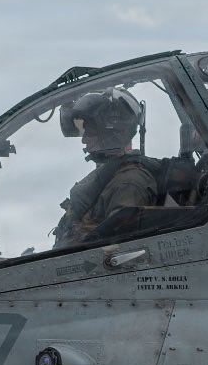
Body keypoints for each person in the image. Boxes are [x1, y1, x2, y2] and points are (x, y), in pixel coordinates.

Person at [52, 86, 161, 248]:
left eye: (90, 131)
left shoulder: (129, 183)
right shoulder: (108, 180)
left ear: (112, 131)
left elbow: (121, 250)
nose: (84, 140)